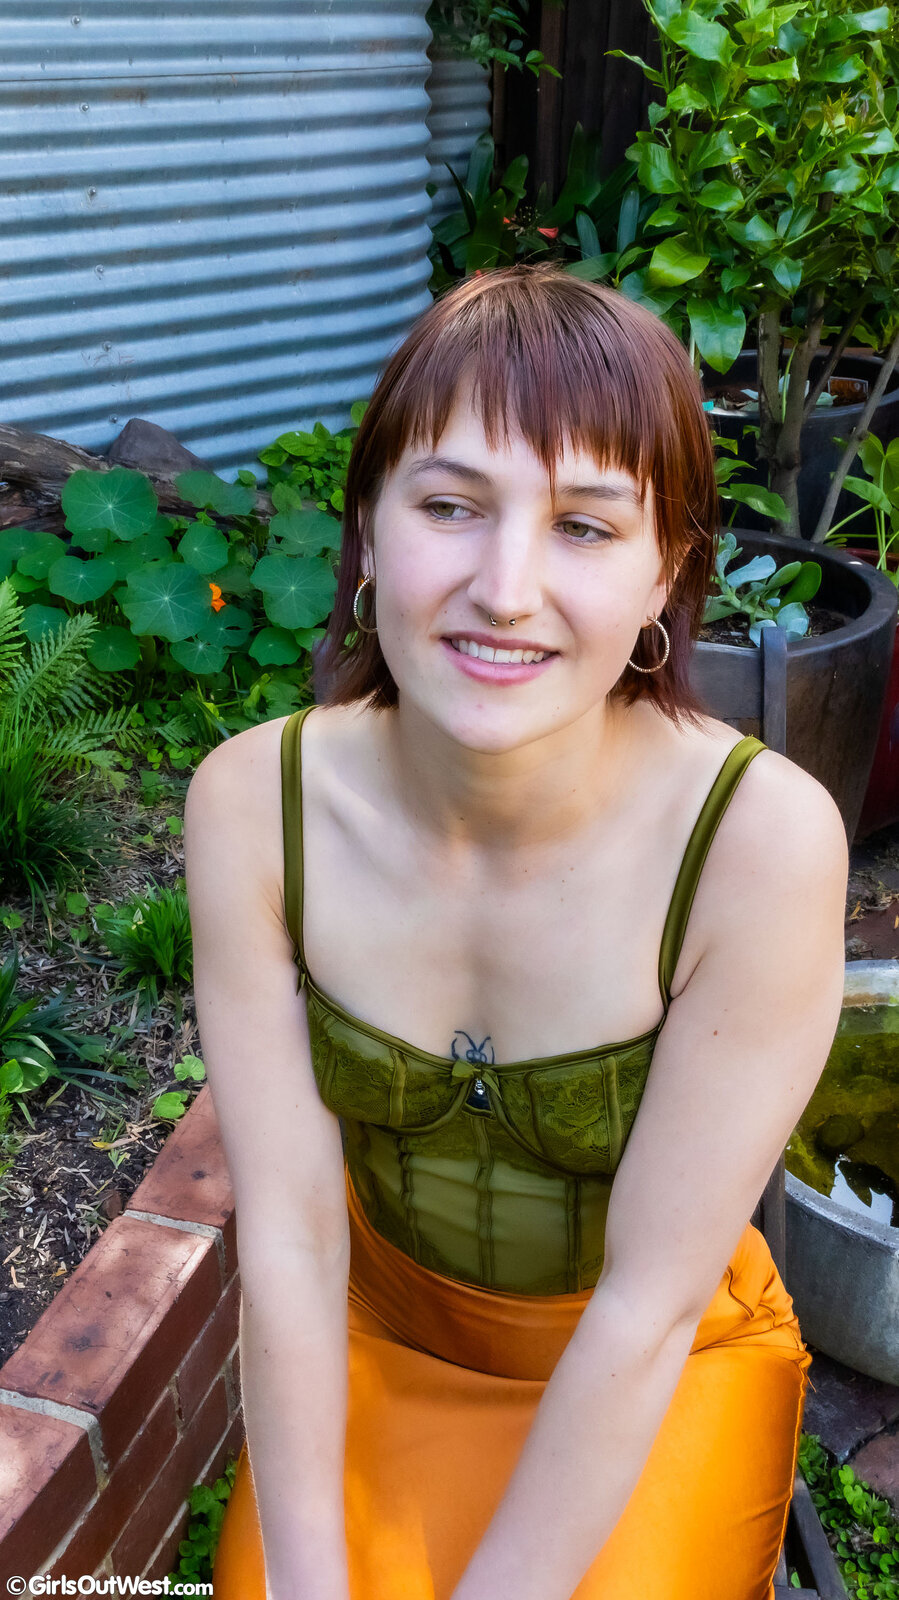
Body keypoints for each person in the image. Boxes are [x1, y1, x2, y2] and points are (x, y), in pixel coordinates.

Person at [184, 263, 848, 1600]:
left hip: (655, 1363)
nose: (504, 588)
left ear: (666, 572)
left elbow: (647, 1305)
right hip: (375, 1330)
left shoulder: (757, 845)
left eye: (586, 527)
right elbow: (296, 1244)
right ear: (369, 528)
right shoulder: (258, 804)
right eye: (450, 506)